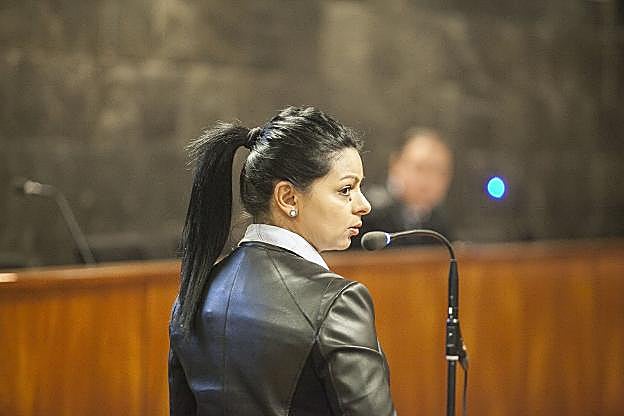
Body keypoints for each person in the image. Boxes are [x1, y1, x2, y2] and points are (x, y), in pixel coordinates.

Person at [168, 106, 396, 415]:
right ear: (288, 198)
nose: (364, 205)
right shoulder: (336, 302)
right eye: (346, 189)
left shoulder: (194, 293)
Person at [359, 128, 454, 247]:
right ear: (395, 164)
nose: (429, 180)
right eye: (420, 168)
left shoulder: (439, 226)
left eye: (439, 171)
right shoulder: (366, 213)